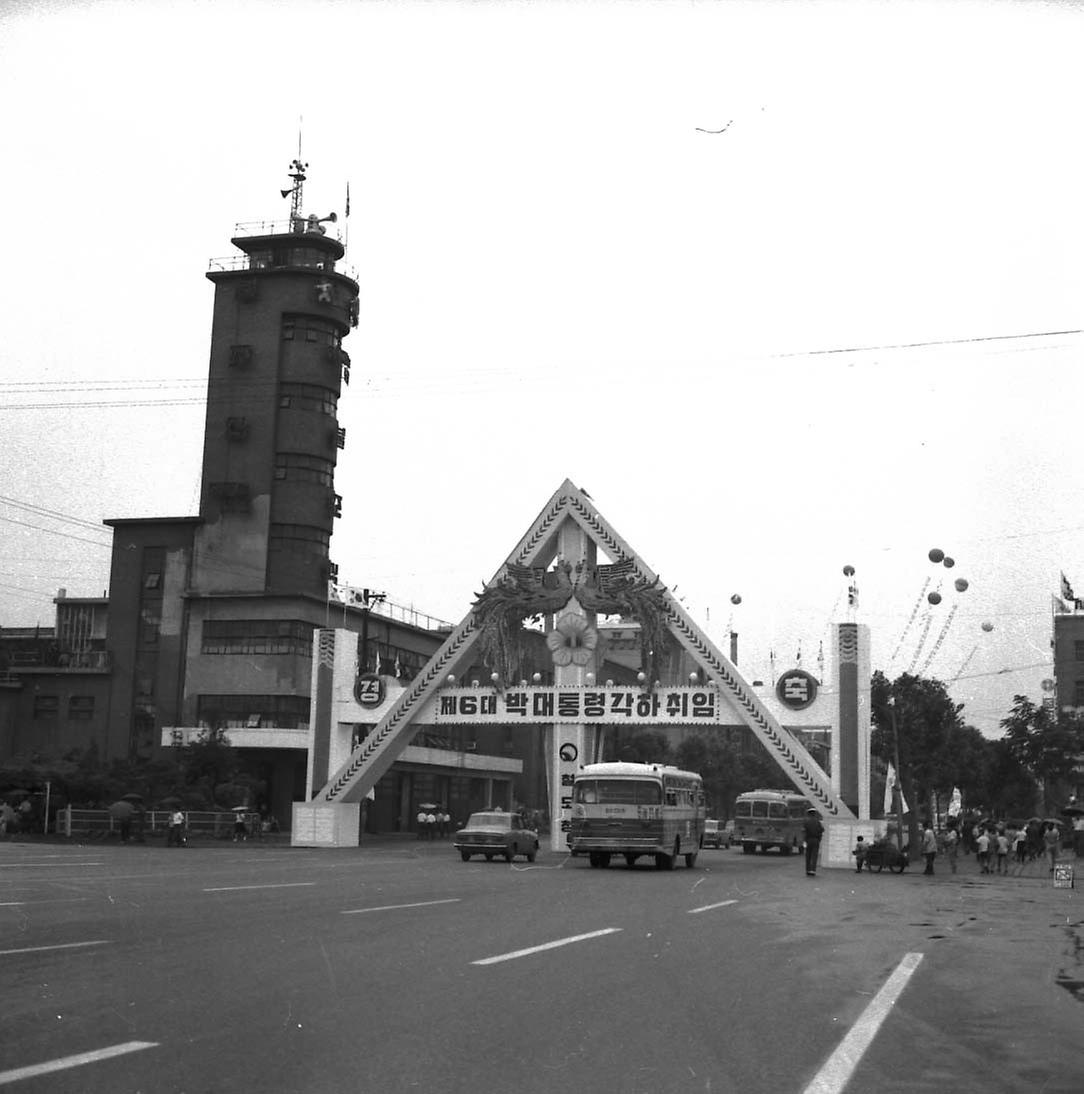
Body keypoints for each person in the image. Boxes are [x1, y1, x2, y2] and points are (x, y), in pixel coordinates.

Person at [803, 808, 824, 876]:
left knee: (808, 855)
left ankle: (808, 870)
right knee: (814, 855)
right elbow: (822, 830)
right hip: (816, 840)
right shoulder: (818, 822)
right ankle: (813, 870)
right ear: (814, 814)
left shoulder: (806, 822)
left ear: (809, 814)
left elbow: (804, 831)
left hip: (808, 840)